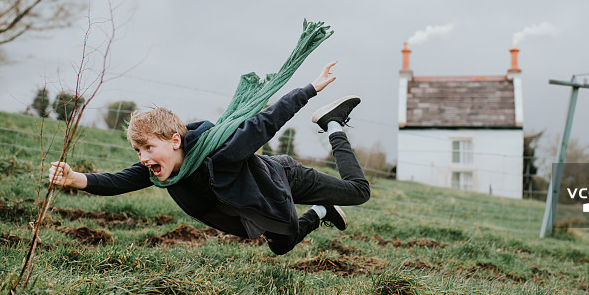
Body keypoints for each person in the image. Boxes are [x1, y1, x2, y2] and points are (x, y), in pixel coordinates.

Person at [48, 62, 370, 255]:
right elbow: (119, 180)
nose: (144, 159)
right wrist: (75, 178)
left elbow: (265, 123)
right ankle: (322, 210)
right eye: (139, 151)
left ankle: (332, 124)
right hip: (264, 204)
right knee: (281, 245)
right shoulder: (168, 171)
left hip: (282, 177)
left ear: (175, 140)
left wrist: (310, 88)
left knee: (359, 192)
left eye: (148, 148)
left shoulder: (218, 151)